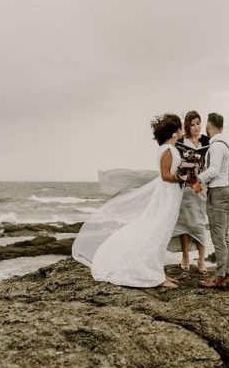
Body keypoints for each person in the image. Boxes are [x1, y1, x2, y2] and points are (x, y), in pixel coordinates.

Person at [72, 113, 186, 289]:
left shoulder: (170, 148)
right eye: (180, 128)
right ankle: (153, 276)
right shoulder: (168, 150)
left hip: (171, 197)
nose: (182, 130)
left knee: (161, 234)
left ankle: (157, 272)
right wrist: (183, 177)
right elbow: (165, 176)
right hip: (166, 197)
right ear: (174, 132)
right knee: (157, 232)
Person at [167, 111, 210, 273]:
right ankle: (185, 256)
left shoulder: (206, 140)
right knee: (184, 223)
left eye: (198, 123)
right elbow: (176, 162)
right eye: (192, 124)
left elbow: (210, 162)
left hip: (200, 185)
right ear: (187, 125)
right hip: (185, 186)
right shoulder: (181, 141)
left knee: (199, 222)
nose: (196, 127)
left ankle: (201, 260)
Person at [197, 112, 229, 289]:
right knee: (224, 237)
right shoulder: (225, 144)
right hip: (225, 191)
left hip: (218, 194)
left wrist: (197, 179)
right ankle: (226, 273)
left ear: (209, 127)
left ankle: (219, 276)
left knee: (219, 238)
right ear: (222, 127)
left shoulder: (216, 146)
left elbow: (213, 171)